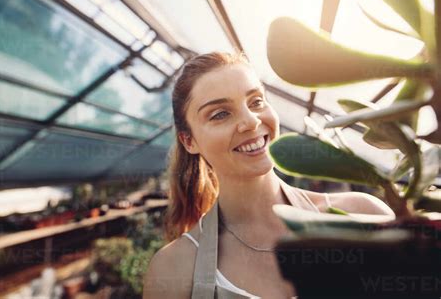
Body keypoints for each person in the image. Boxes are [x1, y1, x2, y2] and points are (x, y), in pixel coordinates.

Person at [143, 52, 394, 299]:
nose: (251, 121)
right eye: (220, 114)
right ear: (189, 141)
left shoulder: (365, 215)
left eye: (256, 101)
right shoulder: (173, 270)